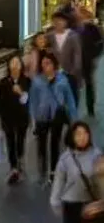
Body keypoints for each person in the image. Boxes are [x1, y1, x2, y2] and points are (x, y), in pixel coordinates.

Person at [50, 122, 102, 223]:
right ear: (72, 137)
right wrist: (55, 202)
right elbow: (59, 181)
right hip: (72, 202)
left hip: (93, 203)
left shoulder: (97, 155)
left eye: (85, 133)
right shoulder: (66, 159)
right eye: (78, 134)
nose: (82, 137)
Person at [30, 53, 77, 184]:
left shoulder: (62, 79)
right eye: (43, 64)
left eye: (48, 63)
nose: (45, 66)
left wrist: (74, 119)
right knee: (41, 144)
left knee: (55, 143)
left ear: (54, 64)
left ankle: (53, 171)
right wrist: (33, 119)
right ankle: (43, 169)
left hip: (57, 115)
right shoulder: (37, 80)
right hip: (41, 116)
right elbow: (33, 100)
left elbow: (70, 99)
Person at [0, 56, 31, 184]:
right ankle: (13, 168)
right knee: (10, 142)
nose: (15, 65)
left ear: (21, 66)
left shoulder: (27, 81)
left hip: (22, 117)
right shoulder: (3, 82)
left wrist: (21, 93)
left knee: (20, 140)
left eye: (17, 63)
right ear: (9, 66)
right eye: (12, 63)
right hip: (7, 117)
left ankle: (20, 161)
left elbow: (28, 102)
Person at [46, 10, 82, 105]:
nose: (58, 22)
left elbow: (78, 54)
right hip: (54, 73)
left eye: (60, 20)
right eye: (55, 20)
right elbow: (44, 49)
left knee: (72, 98)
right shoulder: (49, 36)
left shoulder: (73, 36)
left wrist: (74, 70)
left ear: (66, 22)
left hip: (70, 73)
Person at [78, 6, 103, 117]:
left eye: (83, 15)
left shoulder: (93, 28)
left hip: (88, 60)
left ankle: (90, 106)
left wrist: (94, 56)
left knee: (88, 83)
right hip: (77, 61)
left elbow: (101, 44)